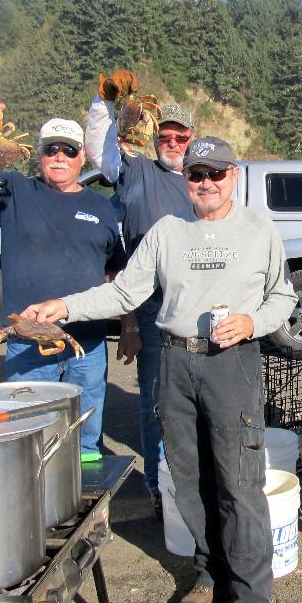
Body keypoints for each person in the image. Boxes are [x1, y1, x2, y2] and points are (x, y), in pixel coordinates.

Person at [20, 136, 296, 603]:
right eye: (196, 175)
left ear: (232, 175)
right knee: (186, 478)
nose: (206, 183)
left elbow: (283, 294)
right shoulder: (167, 231)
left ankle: (253, 602)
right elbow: (125, 291)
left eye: (215, 173)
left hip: (232, 363)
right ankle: (210, 574)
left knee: (239, 482)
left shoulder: (259, 230)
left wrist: (253, 321)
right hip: (175, 360)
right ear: (185, 180)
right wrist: (63, 305)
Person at [0, 94, 125, 461]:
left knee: (85, 437)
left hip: (87, 346)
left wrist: (132, 328)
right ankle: (35, 509)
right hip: (27, 341)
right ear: (39, 153)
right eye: (51, 149)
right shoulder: (14, 191)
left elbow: (114, 273)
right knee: (28, 437)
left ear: (81, 158)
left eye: (69, 150)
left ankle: (85, 504)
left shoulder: (100, 207)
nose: (59, 156)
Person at [85, 80, 195, 515]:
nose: (172, 144)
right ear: (153, 139)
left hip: (198, 305)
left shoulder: (205, 179)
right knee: (156, 400)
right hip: (150, 308)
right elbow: (98, 150)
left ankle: (191, 477)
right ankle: (157, 483)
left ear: (192, 139)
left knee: (194, 397)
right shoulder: (135, 171)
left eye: (181, 137)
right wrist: (104, 103)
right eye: (165, 137)